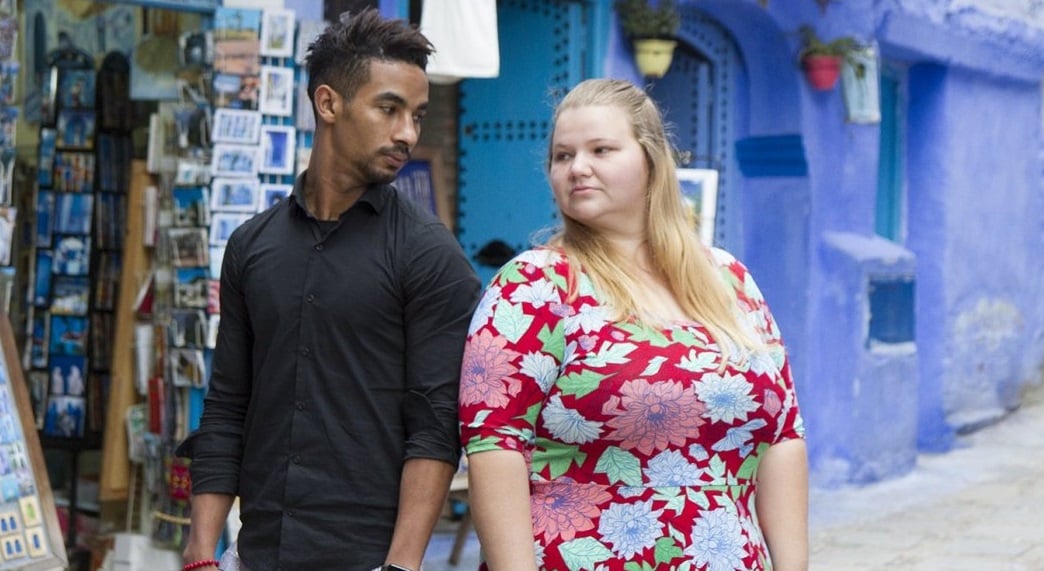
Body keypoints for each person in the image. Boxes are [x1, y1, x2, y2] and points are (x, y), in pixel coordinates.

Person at [458, 78, 808, 571]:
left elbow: (783, 434)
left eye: (601, 150)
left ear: (651, 159)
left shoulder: (729, 280)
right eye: (563, 156)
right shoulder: (536, 285)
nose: (578, 168)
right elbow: (495, 443)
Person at [179, 8, 481, 571]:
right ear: (328, 103)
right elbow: (226, 408)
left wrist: (401, 566)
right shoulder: (251, 245)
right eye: (389, 109)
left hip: (366, 556)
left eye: (416, 115)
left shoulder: (430, 255)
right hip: (257, 550)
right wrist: (200, 552)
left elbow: (436, 429)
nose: (407, 134)